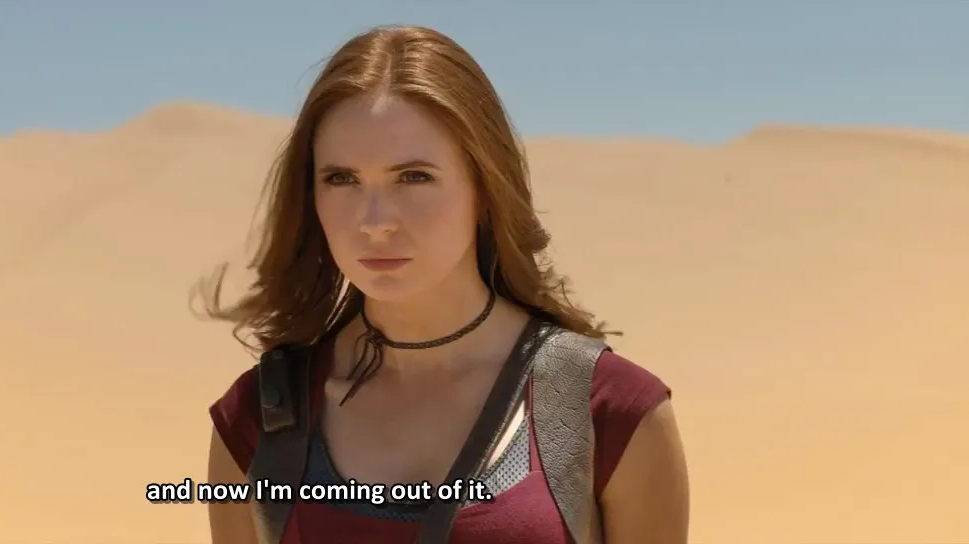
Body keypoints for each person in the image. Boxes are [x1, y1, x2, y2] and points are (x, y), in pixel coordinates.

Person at [196, 24, 689, 543]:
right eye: (342, 179)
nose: (375, 221)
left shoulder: (610, 412)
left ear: (485, 186)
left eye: (414, 177)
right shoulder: (257, 423)